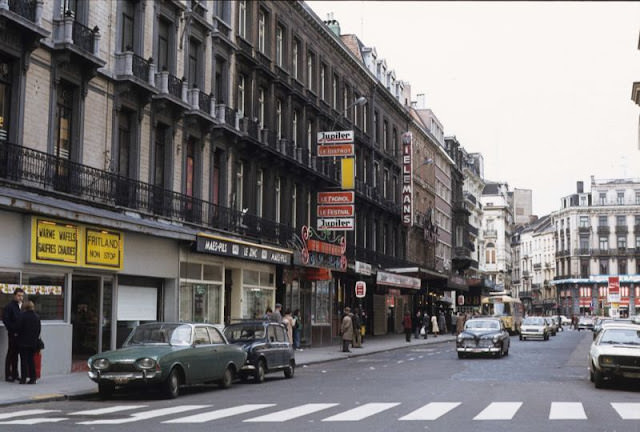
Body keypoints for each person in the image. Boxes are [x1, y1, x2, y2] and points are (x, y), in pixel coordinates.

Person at [3, 288, 24, 382]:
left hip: (20, 334)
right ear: (14, 295)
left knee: (16, 355)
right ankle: (8, 375)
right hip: (12, 334)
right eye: (19, 295)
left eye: (22, 296)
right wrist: (13, 330)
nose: (20, 297)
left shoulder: (21, 306)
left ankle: (15, 374)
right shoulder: (9, 306)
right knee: (11, 354)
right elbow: (6, 320)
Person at [17, 301, 40, 384]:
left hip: (23, 341)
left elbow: (18, 328)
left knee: (23, 360)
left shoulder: (22, 316)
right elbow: (38, 330)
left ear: (25, 307)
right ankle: (33, 378)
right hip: (33, 342)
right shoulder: (37, 317)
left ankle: (23, 378)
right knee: (31, 360)